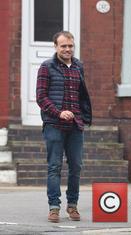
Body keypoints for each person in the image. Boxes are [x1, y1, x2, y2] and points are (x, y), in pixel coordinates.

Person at [36, 31, 92, 223]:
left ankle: (72, 205)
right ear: (55, 47)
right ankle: (54, 207)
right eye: (63, 46)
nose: (67, 49)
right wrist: (58, 112)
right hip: (54, 124)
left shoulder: (78, 66)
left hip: (76, 125)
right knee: (54, 167)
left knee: (76, 166)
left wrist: (83, 117)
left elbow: (82, 94)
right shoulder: (46, 67)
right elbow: (41, 98)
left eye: (70, 46)